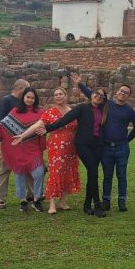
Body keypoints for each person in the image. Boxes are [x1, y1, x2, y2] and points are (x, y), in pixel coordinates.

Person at [39, 86, 110, 218]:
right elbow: (65, 119)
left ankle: (87, 205)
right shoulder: (82, 108)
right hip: (83, 145)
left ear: (104, 99)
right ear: (92, 94)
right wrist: (48, 128)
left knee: (92, 174)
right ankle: (97, 205)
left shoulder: (104, 110)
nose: (98, 96)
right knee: (93, 171)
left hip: (97, 146)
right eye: (96, 94)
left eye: (101, 96)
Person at [73, 73, 135, 212]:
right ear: (117, 92)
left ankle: (122, 201)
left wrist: (127, 139)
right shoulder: (107, 104)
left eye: (125, 93)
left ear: (128, 96)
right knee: (107, 175)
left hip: (122, 147)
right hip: (106, 147)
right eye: (121, 91)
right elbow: (92, 94)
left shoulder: (129, 110)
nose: (122, 93)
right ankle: (106, 200)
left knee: (121, 175)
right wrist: (80, 84)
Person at [0, 87, 46, 212]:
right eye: (28, 97)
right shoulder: (16, 111)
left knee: (39, 173)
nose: (30, 100)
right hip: (17, 148)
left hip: (33, 148)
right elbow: (2, 124)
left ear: (35, 99)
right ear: (23, 98)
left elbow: (46, 124)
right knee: (20, 173)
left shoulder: (40, 112)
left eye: (32, 98)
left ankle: (36, 199)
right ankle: (22, 201)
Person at [40, 85, 81, 214]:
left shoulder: (72, 111)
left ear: (65, 96)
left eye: (60, 94)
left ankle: (63, 201)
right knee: (55, 173)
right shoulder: (50, 112)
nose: (58, 96)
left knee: (69, 172)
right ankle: (52, 204)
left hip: (71, 147)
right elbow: (40, 125)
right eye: (56, 95)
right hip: (56, 146)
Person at [0, 79, 31, 209]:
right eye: (26, 90)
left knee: (28, 168)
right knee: (4, 169)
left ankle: (31, 194)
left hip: (23, 142)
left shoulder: (24, 102)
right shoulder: (6, 101)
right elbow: (0, 121)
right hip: (8, 143)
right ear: (20, 88)